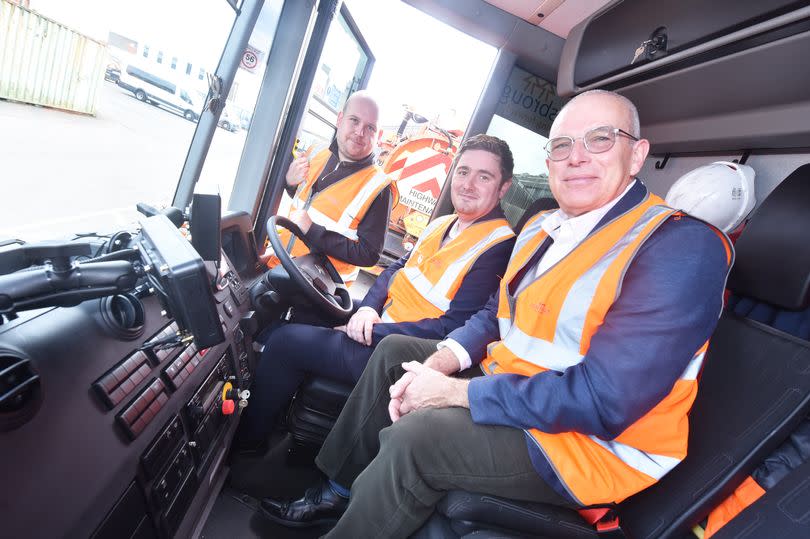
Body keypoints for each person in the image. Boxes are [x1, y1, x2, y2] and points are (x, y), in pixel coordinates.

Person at [260, 89, 735, 537]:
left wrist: (456, 395)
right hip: (518, 391)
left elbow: (606, 401)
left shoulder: (679, 247)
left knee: (419, 437)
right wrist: (443, 360)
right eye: (562, 144)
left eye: (600, 139)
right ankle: (337, 493)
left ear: (636, 154)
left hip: (587, 445)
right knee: (395, 352)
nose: (576, 157)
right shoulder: (543, 229)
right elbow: (496, 314)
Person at [237, 135, 517, 449]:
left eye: (484, 177)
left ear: (503, 187)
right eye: (464, 172)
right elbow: (396, 269)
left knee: (286, 343)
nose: (468, 184)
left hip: (404, 354)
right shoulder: (444, 223)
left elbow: (453, 329)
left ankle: (246, 447)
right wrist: (368, 309)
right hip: (383, 323)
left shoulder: (499, 246)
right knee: (302, 308)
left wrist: (374, 330)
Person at [264, 90, 395, 285]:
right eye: (354, 120)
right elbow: (310, 203)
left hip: (320, 290)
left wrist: (314, 231)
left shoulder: (379, 188)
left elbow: (369, 254)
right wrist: (290, 184)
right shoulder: (316, 152)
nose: (360, 133)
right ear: (340, 119)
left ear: (379, 135)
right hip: (279, 265)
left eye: (370, 128)